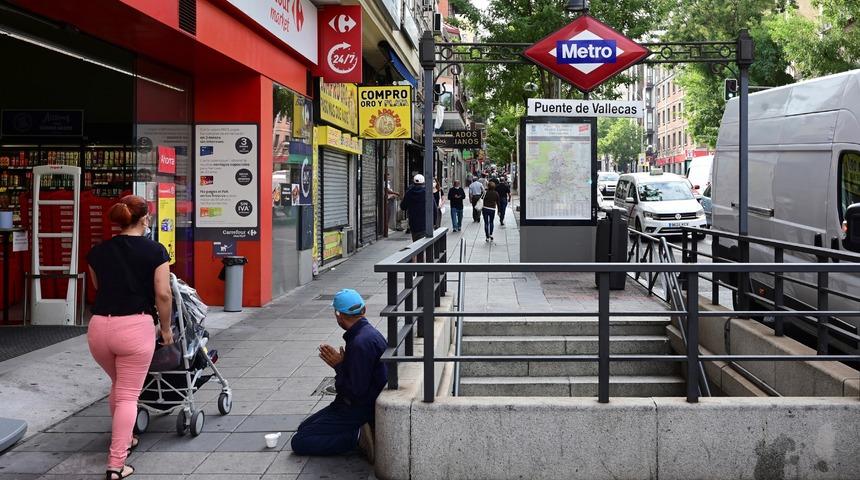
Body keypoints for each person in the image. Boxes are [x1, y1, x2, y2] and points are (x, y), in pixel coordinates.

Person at [86, 195, 173, 480]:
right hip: (134, 328)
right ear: (145, 218)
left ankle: (128, 438)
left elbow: (99, 286)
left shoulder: (97, 252)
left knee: (119, 386)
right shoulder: (155, 251)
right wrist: (166, 329)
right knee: (127, 396)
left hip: (99, 328)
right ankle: (116, 464)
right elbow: (163, 294)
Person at [291, 289, 387, 463]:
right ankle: (357, 431)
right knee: (304, 427)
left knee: (300, 441)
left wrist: (339, 367)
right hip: (359, 402)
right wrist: (345, 365)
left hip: (358, 408)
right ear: (364, 310)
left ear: (338, 315)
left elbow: (355, 392)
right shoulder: (366, 333)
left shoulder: (359, 343)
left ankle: (357, 437)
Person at [400, 174, 429, 241]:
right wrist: (434, 222)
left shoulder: (409, 193)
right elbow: (434, 207)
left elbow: (403, 206)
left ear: (413, 182)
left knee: (416, 242)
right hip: (425, 222)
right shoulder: (427, 192)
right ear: (423, 182)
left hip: (413, 223)